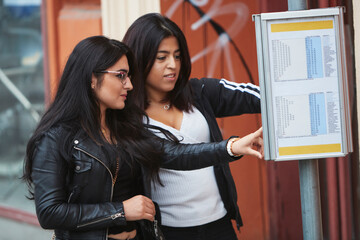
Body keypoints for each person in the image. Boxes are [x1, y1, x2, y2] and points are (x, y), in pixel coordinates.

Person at [23, 35, 263, 240]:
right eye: (120, 75)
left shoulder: (123, 128)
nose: (129, 85)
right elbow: (49, 212)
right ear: (92, 79)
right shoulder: (55, 138)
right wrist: (121, 211)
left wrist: (231, 147)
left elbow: (175, 155)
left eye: (128, 76)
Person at [122, 13, 262, 240]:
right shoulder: (127, 116)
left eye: (177, 56)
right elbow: (174, 154)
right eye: (162, 57)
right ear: (140, 58)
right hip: (167, 232)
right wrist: (231, 147)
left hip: (219, 225)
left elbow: (257, 95)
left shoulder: (199, 92)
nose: (172, 65)